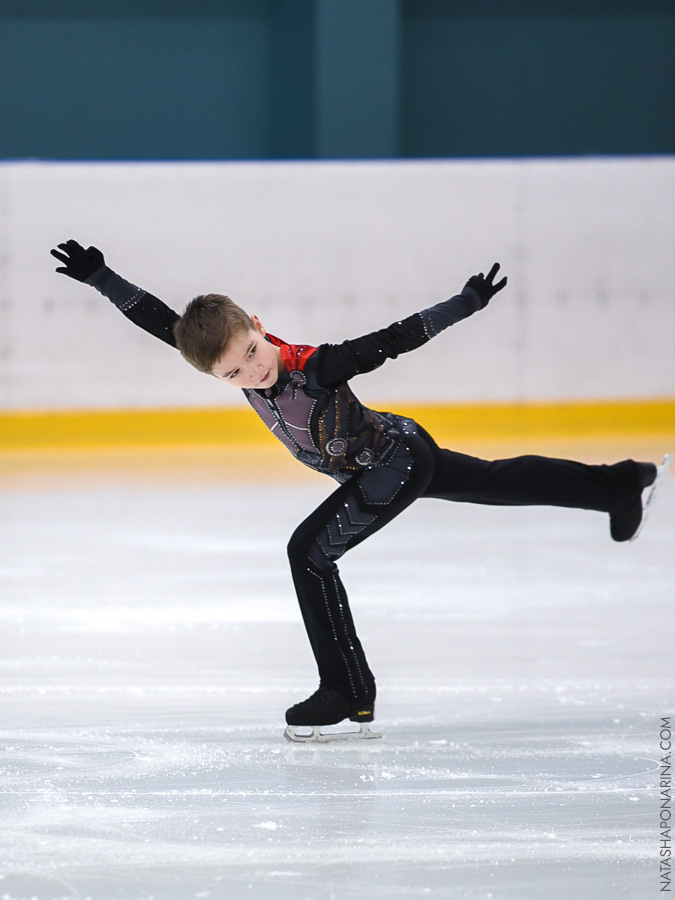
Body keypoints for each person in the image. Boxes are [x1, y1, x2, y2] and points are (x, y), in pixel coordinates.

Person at [51, 239, 669, 742]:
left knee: (308, 553)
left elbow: (392, 340)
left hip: (392, 463)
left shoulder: (314, 366)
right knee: (492, 480)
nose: (252, 372)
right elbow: (164, 322)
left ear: (260, 327)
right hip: (397, 451)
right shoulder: (221, 353)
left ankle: (347, 688)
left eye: (252, 354)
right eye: (233, 373)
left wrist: (465, 303)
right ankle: (619, 484)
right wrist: (101, 277)